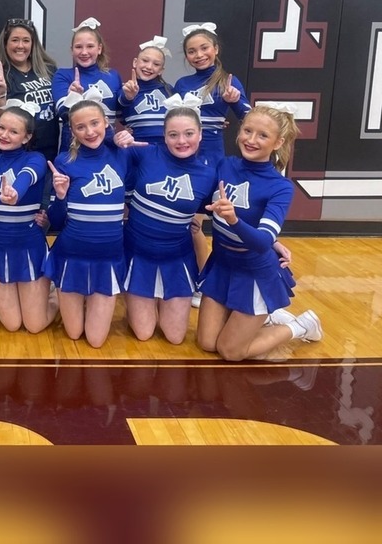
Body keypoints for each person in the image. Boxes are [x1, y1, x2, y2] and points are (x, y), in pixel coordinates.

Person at [196, 102, 323, 361]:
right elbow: (201, 202)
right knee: (207, 343)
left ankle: (300, 326)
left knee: (230, 351)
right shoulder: (225, 165)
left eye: (263, 135)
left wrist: (235, 220)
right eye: (247, 131)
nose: (251, 140)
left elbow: (263, 240)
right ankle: (261, 318)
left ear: (278, 143)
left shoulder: (280, 187)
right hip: (222, 264)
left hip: (254, 273)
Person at [118, 95, 218, 344]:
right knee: (144, 333)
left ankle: (161, 298)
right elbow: (100, 149)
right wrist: (116, 139)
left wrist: (272, 243)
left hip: (176, 258)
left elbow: (229, 216)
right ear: (164, 136)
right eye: (173, 135)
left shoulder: (209, 174)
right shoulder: (145, 153)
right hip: (138, 254)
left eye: (189, 133)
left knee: (174, 337)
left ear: (200, 134)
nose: (181, 141)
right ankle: (138, 298)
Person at [44, 94, 129, 348]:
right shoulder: (64, 161)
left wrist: (121, 138)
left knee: (95, 339)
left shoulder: (123, 154)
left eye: (94, 123)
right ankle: (56, 294)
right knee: (73, 333)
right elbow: (55, 221)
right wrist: (60, 197)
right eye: (80, 127)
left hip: (108, 257)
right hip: (72, 254)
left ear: (106, 122)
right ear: (72, 131)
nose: (89, 132)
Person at [0, 101, 57, 333]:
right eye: (2, 128)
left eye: (14, 131)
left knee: (34, 325)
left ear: (26, 137)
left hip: (28, 248)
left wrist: (15, 192)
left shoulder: (35, 159)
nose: (4, 135)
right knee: (12, 324)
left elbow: (27, 176)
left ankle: (57, 295)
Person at [173, 23, 251, 165]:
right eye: (191, 51)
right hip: (183, 149)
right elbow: (169, 119)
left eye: (204, 48)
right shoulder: (181, 84)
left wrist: (235, 101)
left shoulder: (228, 81)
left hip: (212, 152)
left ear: (216, 49)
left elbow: (249, 118)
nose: (199, 55)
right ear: (186, 56)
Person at [0, 18, 59, 161]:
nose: (20, 46)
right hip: (17, 155)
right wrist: (0, 94)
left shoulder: (49, 69)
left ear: (33, 44)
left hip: (49, 151)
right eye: (15, 40)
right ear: (5, 43)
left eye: (26, 40)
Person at [52, 17, 122, 153]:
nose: (84, 52)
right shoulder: (63, 75)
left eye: (90, 46)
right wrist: (73, 98)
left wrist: (129, 97)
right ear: (72, 50)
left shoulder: (113, 76)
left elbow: (122, 114)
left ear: (99, 48)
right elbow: (64, 114)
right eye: (78, 47)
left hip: (108, 149)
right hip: (74, 151)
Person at [117, 36, 174, 145]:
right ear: (135, 62)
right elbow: (120, 107)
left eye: (156, 64)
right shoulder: (126, 89)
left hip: (166, 147)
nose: (149, 67)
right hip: (138, 147)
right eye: (145, 60)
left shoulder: (169, 90)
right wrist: (129, 97)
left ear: (161, 70)